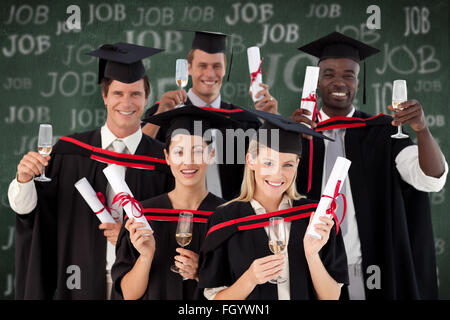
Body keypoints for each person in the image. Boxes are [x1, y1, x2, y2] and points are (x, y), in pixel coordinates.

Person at [8, 42, 174, 299]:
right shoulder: (70, 152)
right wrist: (24, 180)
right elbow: (33, 214)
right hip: (80, 287)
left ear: (146, 98)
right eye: (118, 93)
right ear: (105, 96)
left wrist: (128, 240)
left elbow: (178, 228)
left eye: (135, 94)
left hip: (143, 288)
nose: (127, 103)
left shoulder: (165, 161)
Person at [291, 32, 448, 299]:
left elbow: (430, 179)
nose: (339, 81)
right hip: (311, 268)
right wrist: (285, 136)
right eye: (329, 74)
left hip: (369, 268)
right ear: (317, 82)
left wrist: (422, 130)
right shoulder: (297, 133)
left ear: (358, 81)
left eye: (348, 75)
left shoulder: (383, 133)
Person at [198, 109, 348, 300]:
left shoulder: (314, 217)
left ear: (297, 166)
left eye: (288, 165)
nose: (278, 174)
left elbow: (331, 296)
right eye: (268, 163)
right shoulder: (224, 219)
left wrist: (311, 254)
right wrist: (250, 278)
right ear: (250, 161)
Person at [112, 105, 239, 299]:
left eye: (197, 151)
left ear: (211, 155)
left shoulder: (229, 217)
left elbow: (241, 290)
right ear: (167, 157)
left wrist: (201, 274)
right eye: (179, 152)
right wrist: (146, 257)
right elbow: (129, 294)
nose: (188, 162)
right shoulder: (142, 215)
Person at [142, 30, 278, 201]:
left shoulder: (244, 120)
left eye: (216, 66)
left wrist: (272, 121)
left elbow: (268, 169)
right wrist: (161, 114)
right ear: (189, 68)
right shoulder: (165, 115)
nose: (210, 74)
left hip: (230, 217)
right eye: (202, 66)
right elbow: (139, 156)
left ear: (224, 69)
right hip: (177, 216)